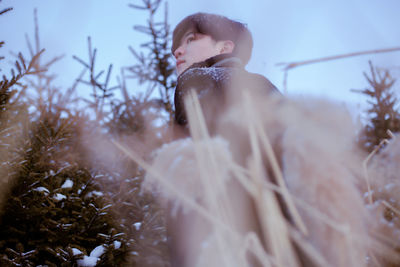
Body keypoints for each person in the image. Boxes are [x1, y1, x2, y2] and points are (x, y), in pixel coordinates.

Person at [172, 12, 279, 135]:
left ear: (224, 48)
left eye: (190, 40)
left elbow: (196, 145)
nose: (177, 51)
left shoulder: (195, 77)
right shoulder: (261, 82)